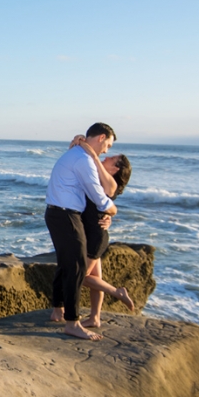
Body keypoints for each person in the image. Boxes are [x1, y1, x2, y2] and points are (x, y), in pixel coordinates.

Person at [44, 122, 118, 340]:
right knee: (76, 268)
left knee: (67, 264)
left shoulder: (76, 154)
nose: (107, 150)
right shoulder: (83, 159)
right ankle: (73, 323)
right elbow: (97, 195)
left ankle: (58, 310)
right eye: (108, 145)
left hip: (58, 213)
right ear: (101, 137)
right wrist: (112, 209)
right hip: (66, 215)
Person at [53, 135, 134, 328]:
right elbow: (76, 167)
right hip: (93, 233)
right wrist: (76, 145)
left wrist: (87, 147)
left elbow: (107, 201)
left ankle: (116, 292)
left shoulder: (108, 183)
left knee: (79, 276)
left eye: (111, 159)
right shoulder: (95, 176)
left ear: (115, 169)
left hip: (95, 237)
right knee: (93, 277)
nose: (105, 157)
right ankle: (95, 317)